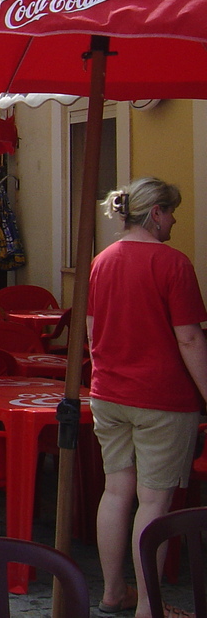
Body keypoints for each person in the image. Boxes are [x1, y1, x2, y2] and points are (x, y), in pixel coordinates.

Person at [87, 178, 207, 618]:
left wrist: (104, 373)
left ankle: (114, 592)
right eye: (172, 211)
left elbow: (92, 328)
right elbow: (190, 339)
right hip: (162, 397)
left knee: (116, 492)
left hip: (109, 394)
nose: (175, 218)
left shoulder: (102, 260)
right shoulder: (173, 264)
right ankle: (148, 609)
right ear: (155, 212)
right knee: (154, 502)